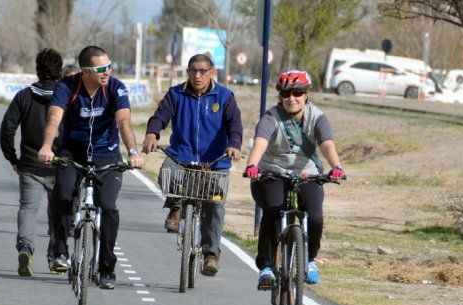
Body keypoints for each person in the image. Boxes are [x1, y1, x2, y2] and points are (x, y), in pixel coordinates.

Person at [38, 45, 143, 289]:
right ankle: (60, 251)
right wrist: (46, 147)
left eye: (109, 66)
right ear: (85, 71)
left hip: (106, 156)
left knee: (108, 207)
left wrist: (133, 152)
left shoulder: (115, 88)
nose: (107, 72)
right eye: (100, 69)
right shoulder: (67, 87)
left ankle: (106, 267)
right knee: (62, 193)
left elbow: (124, 122)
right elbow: (54, 118)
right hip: (71, 152)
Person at [142, 54, 242, 277]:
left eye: (203, 71)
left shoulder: (225, 97)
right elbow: (160, 116)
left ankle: (211, 254)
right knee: (167, 172)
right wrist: (152, 133)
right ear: (187, 72)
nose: (198, 75)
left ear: (212, 72)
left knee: (214, 205)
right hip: (182, 156)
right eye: (193, 71)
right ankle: (176, 208)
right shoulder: (176, 94)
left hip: (215, 162)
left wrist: (234, 144)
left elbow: (235, 124)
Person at [243, 70, 345, 288]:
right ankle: (267, 267)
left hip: (308, 173)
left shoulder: (317, 117)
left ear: (306, 94)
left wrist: (336, 166)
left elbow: (326, 144)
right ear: (280, 96)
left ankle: (309, 261)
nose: (292, 98)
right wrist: (252, 165)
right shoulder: (271, 117)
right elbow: (260, 141)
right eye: (287, 93)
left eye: (298, 93)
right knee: (273, 210)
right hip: (272, 172)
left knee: (315, 216)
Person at [0, 48, 63, 276]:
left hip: (29, 164)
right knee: (58, 212)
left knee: (28, 208)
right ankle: (56, 255)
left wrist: (12, 158)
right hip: (61, 165)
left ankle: (26, 248)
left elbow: (7, 128)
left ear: (37, 70)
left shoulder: (24, 96)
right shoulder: (65, 96)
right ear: (60, 70)